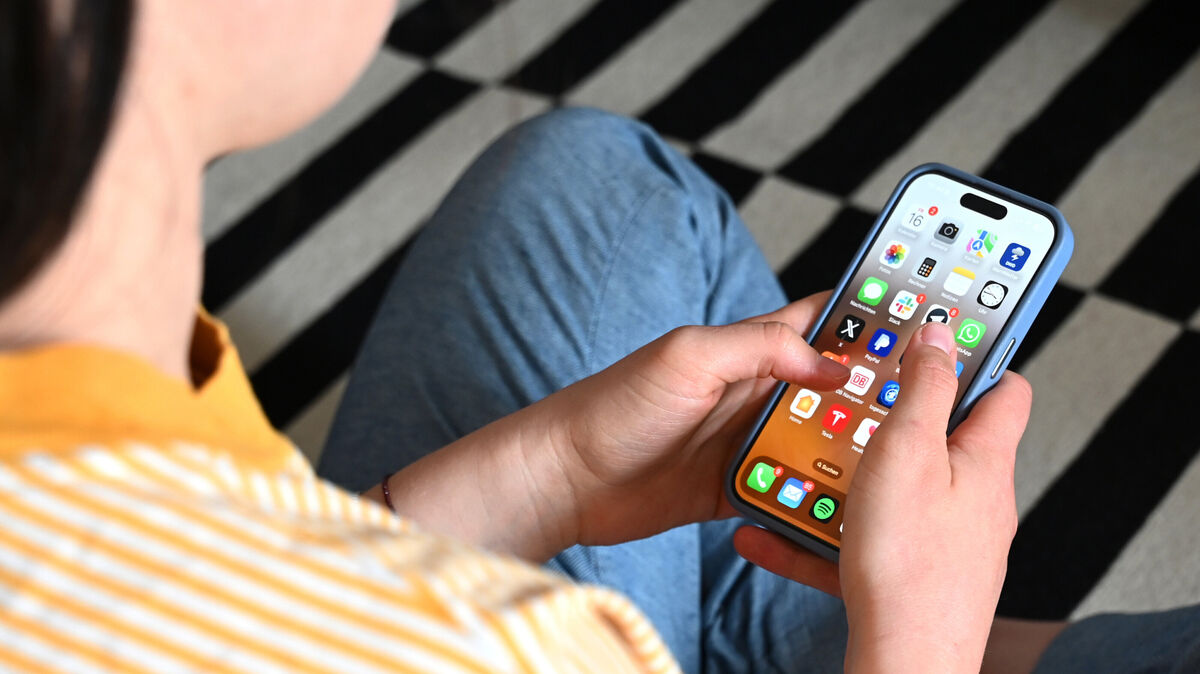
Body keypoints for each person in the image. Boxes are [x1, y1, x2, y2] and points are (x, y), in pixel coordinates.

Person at [3, 1, 1197, 672]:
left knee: (592, 179)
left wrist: (551, 475)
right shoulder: (514, 646)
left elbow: (264, 606)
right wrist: (919, 639)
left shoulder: (71, 393)